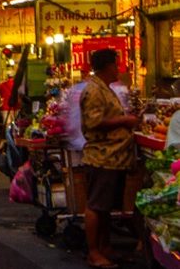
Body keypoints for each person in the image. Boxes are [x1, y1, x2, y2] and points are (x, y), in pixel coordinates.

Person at [79, 48, 138, 269]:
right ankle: (94, 252)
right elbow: (94, 121)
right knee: (96, 206)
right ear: (106, 66)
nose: (119, 69)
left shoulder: (104, 88)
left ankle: (105, 247)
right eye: (116, 64)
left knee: (105, 208)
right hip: (102, 157)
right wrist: (125, 121)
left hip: (114, 158)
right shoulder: (94, 90)